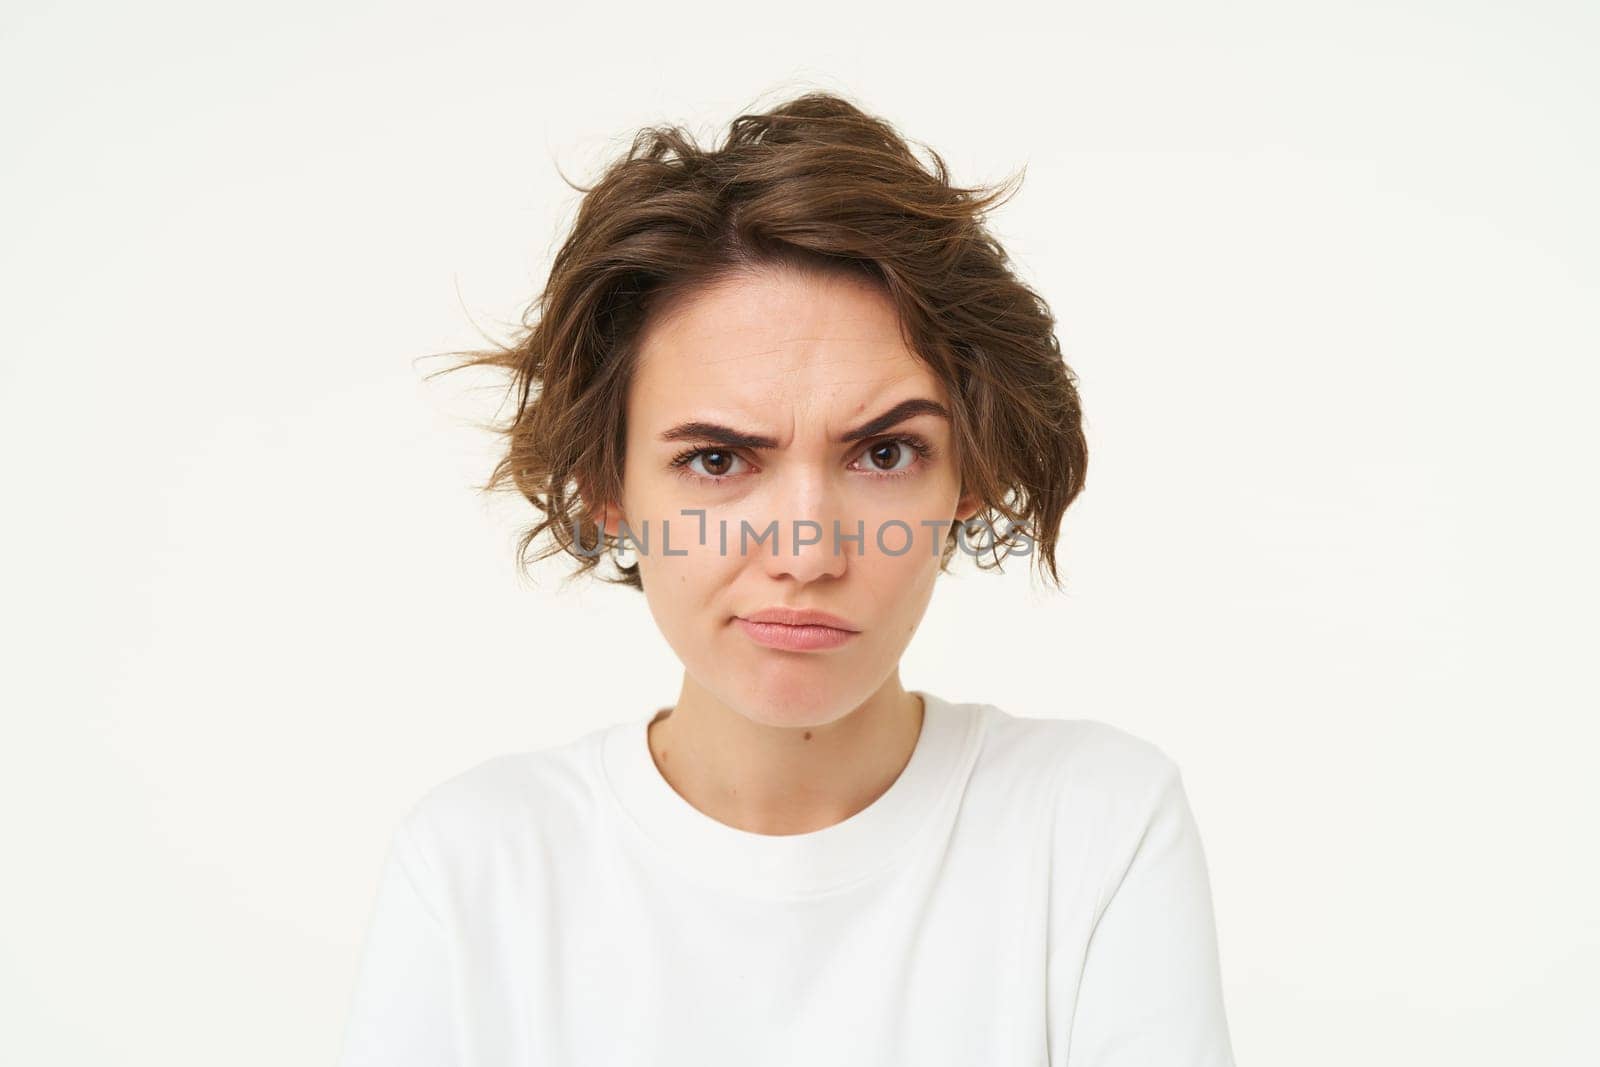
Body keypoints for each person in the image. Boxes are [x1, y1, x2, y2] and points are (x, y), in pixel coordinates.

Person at [337, 90, 1235, 1066]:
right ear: (606, 486)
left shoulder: (1094, 826)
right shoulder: (480, 868)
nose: (807, 552)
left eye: (884, 453)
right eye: (719, 460)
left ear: (968, 476)